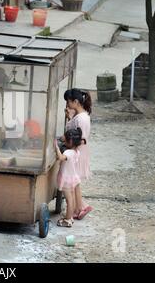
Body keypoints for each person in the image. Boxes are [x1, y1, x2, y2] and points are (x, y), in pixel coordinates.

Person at [64, 88, 93, 220]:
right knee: (75, 182)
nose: (68, 105)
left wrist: (67, 140)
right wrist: (70, 118)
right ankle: (78, 208)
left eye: (68, 102)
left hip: (78, 151)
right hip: (81, 151)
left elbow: (81, 138)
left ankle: (81, 207)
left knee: (74, 182)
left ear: (75, 101)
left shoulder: (81, 119)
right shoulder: (82, 116)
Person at [55, 128, 83, 228]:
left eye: (65, 140)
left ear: (70, 142)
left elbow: (60, 157)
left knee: (69, 200)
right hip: (73, 177)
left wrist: (56, 147)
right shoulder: (76, 152)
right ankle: (70, 217)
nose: (64, 142)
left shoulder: (68, 153)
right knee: (71, 198)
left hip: (66, 179)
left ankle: (67, 219)